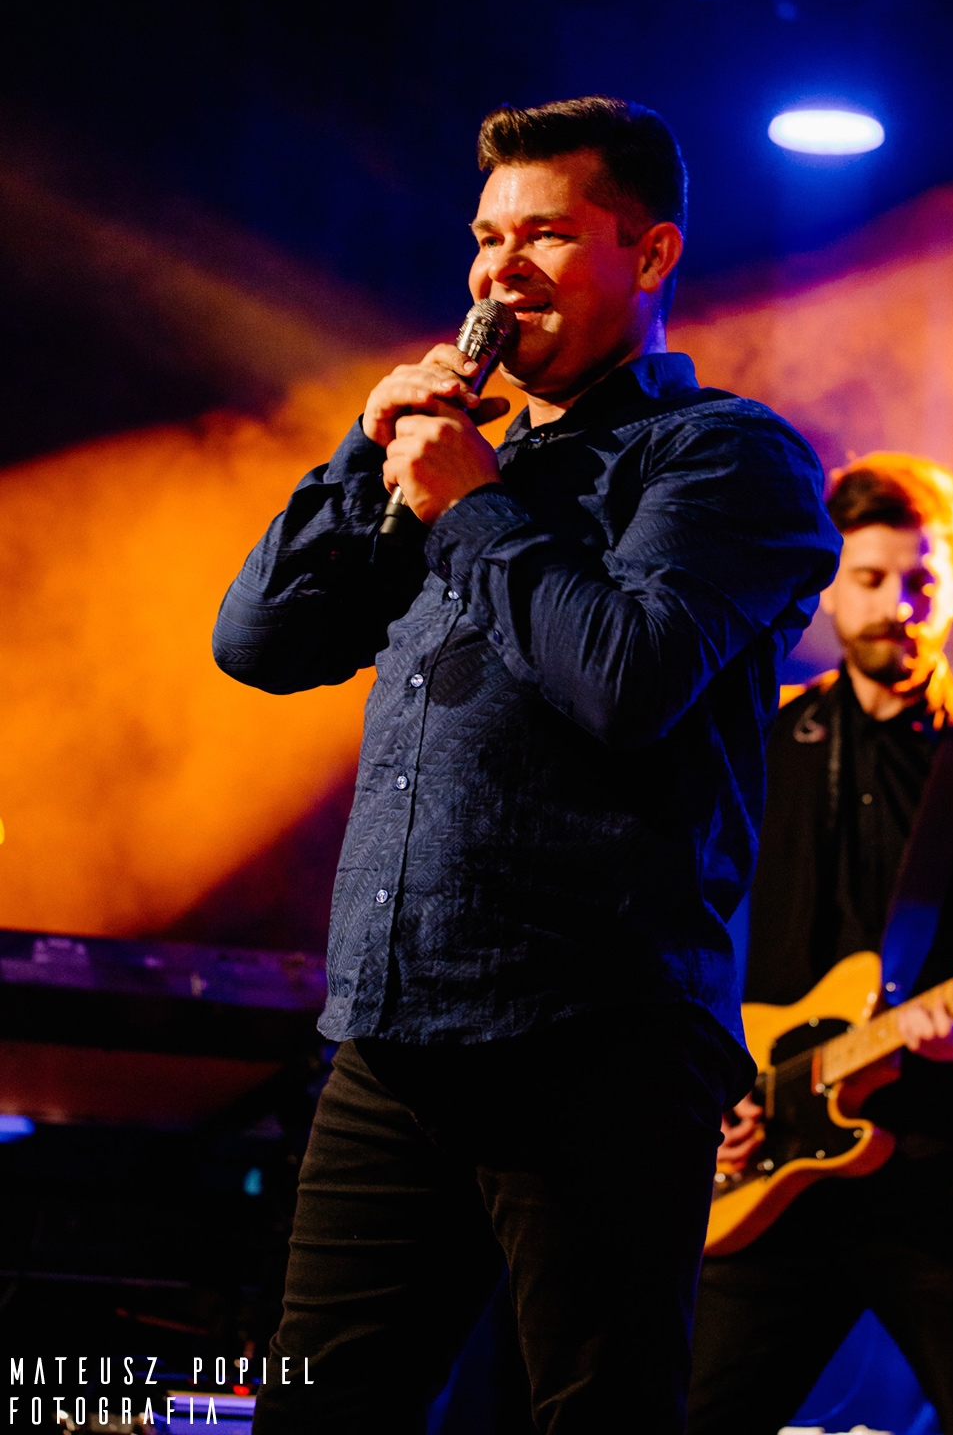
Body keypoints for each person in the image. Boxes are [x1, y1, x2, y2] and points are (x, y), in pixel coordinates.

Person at [212, 96, 841, 1433]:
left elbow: (628, 679)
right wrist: (362, 457)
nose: (500, 271)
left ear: (651, 253)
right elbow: (258, 644)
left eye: (546, 236)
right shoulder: (458, 464)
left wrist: (475, 505)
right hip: (394, 1038)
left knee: (595, 1414)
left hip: (594, 1042)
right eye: (487, 238)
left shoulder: (724, 457)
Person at [687, 452, 953, 1435]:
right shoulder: (763, 740)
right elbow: (690, 930)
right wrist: (714, 1086)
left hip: (948, 1178)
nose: (896, 606)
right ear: (830, 584)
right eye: (869, 579)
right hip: (772, 1165)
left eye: (920, 581)